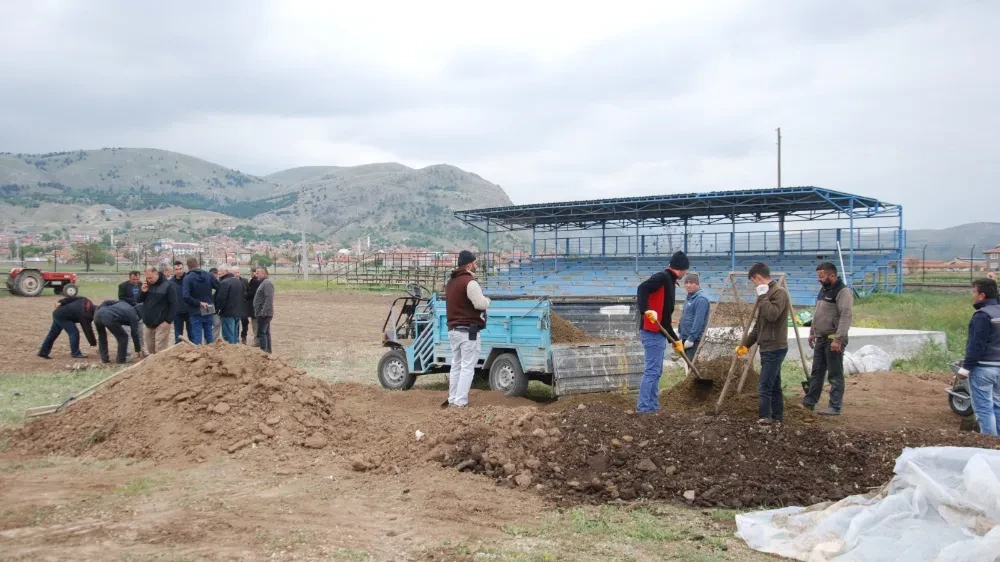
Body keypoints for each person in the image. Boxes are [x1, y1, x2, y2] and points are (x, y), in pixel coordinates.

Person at [736, 262, 790, 424]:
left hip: (775, 347)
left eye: (753, 281)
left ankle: (764, 419)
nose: (753, 285)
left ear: (757, 278)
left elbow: (772, 315)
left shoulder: (779, 293)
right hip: (767, 346)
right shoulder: (767, 294)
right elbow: (759, 326)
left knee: (764, 386)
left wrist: (763, 297)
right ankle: (778, 418)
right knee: (774, 385)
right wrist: (745, 345)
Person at [635, 251, 689, 413]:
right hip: (651, 331)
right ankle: (644, 408)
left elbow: (665, 319)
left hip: (659, 332)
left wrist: (675, 340)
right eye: (686, 270)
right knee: (652, 371)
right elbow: (642, 288)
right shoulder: (662, 277)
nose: (686, 273)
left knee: (656, 371)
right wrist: (646, 310)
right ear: (681, 269)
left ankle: (652, 406)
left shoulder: (670, 282)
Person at [803, 262, 853, 415]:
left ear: (832, 275)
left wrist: (838, 339)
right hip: (821, 337)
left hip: (833, 339)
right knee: (817, 371)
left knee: (835, 374)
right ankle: (810, 401)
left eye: (821, 276)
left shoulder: (843, 291)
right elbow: (819, 312)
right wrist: (812, 331)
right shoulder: (824, 289)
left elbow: (846, 316)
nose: (819, 279)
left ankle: (835, 406)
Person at [443, 250, 490, 407]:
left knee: (456, 365)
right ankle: (460, 402)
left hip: (453, 330)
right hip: (468, 331)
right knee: (467, 368)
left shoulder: (450, 283)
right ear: (469, 264)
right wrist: (488, 301)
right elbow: (479, 304)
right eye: (475, 263)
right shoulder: (470, 282)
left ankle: (452, 400)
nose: (476, 265)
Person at [958, 278, 1000, 436]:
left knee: (984, 409)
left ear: (982, 295)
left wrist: (966, 368)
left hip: (984, 369)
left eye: (974, 292)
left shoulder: (982, 316)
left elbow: (976, 345)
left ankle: (990, 446)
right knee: (997, 405)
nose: (973, 295)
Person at [137, 263, 178, 355]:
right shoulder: (147, 285)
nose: (148, 280)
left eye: (150, 277)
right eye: (147, 278)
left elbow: (174, 304)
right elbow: (138, 300)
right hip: (148, 324)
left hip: (162, 323)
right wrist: (143, 292)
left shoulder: (168, 285)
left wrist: (168, 321)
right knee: (151, 351)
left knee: (160, 352)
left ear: (156, 273)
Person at [38, 295, 97, 359]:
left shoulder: (86, 300)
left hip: (58, 313)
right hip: (62, 317)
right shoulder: (86, 315)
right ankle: (75, 353)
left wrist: (60, 302)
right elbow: (87, 329)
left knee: (53, 333)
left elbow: (71, 298)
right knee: (74, 333)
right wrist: (93, 342)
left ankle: (43, 352)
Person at [182, 257, 220, 344]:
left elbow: (186, 296)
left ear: (188, 267)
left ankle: (199, 356)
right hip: (208, 307)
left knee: (197, 337)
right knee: (209, 336)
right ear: (198, 264)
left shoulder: (187, 278)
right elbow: (218, 287)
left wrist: (199, 303)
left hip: (195, 309)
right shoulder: (209, 275)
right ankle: (211, 355)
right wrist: (211, 299)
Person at [94, 299, 143, 364]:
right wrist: (138, 349)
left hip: (97, 315)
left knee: (102, 337)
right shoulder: (133, 315)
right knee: (123, 337)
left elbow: (106, 302)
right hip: (108, 317)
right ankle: (121, 361)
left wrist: (100, 310)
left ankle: (104, 359)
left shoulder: (123, 303)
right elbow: (134, 333)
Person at [677, 272, 710, 362]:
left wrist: (691, 339)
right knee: (686, 364)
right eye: (686, 282)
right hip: (684, 336)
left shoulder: (701, 299)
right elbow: (684, 316)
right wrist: (680, 334)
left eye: (691, 283)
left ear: (697, 284)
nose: (688, 285)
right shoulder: (689, 297)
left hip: (693, 340)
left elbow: (698, 321)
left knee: (692, 364)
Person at [215, 264, 246, 344]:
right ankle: (236, 352)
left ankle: (231, 354)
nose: (219, 273)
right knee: (235, 335)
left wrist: (217, 310)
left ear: (225, 271)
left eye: (220, 271)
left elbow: (221, 299)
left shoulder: (225, 282)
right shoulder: (238, 281)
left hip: (228, 313)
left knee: (228, 336)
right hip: (238, 312)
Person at [253, 266, 274, 353]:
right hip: (262, 313)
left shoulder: (267, 283)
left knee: (262, 333)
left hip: (264, 314)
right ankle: (268, 352)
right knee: (265, 332)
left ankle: (264, 353)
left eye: (258, 273)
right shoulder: (263, 283)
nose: (256, 275)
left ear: (264, 273)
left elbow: (269, 298)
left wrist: (263, 312)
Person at [169, 261, 190, 343]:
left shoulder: (189, 278)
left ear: (183, 268)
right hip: (177, 313)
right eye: (177, 269)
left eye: (180, 268)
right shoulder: (171, 282)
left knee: (192, 334)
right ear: (174, 270)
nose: (179, 271)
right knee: (178, 336)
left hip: (189, 311)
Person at [245, 265, 262, 347]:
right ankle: (258, 340)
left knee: (255, 325)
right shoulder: (257, 281)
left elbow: (252, 294)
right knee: (256, 325)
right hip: (255, 307)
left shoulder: (254, 281)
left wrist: (245, 294)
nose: (250, 274)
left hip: (253, 307)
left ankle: (257, 341)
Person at [234, 266, 251, 344]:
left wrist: (243, 296)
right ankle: (236, 337)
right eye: (235, 273)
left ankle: (243, 336)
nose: (237, 274)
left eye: (238, 272)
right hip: (235, 305)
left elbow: (248, 292)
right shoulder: (231, 281)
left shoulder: (245, 281)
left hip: (244, 305)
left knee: (245, 321)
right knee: (235, 322)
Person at [209, 267, 221, 342]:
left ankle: (213, 340)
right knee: (214, 324)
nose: (217, 276)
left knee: (215, 324)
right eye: (216, 274)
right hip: (210, 306)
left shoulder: (217, 282)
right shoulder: (210, 283)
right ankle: (210, 341)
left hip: (212, 306)